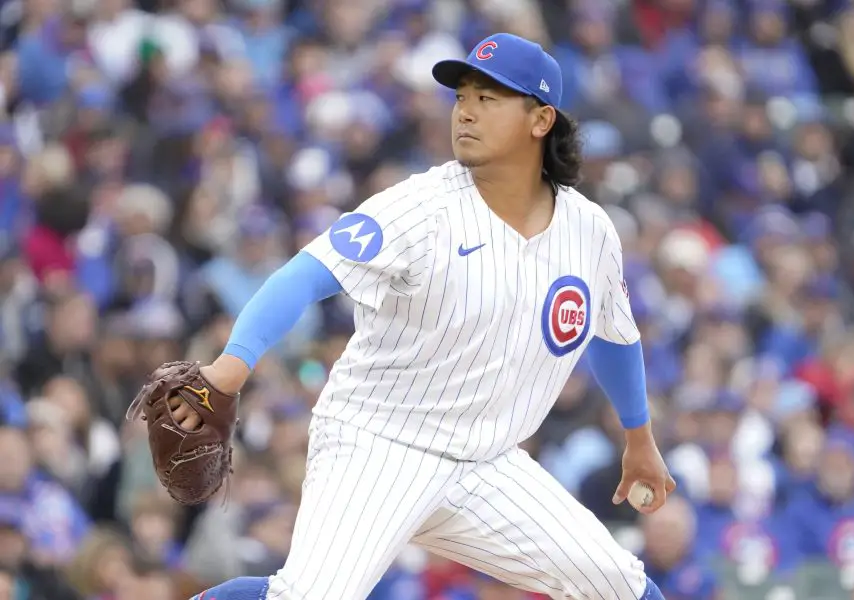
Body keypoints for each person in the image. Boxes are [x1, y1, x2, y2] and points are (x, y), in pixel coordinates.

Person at [178, 33, 675, 600]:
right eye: (462, 95)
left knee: (621, 587)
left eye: (488, 99)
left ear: (541, 120)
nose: (465, 110)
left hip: (488, 462)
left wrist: (639, 438)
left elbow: (612, 334)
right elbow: (303, 275)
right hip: (379, 442)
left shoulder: (590, 231)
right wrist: (230, 368)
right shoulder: (422, 207)